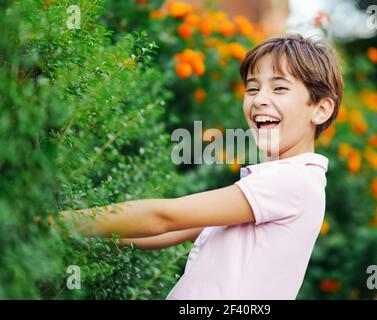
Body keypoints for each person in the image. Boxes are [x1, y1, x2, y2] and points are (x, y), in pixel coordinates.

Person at [61, 34, 343, 300]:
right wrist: (94, 240)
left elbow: (164, 217)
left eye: (280, 88)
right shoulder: (283, 181)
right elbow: (169, 232)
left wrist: (58, 224)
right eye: (253, 88)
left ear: (320, 109)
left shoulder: (292, 181)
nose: (259, 99)